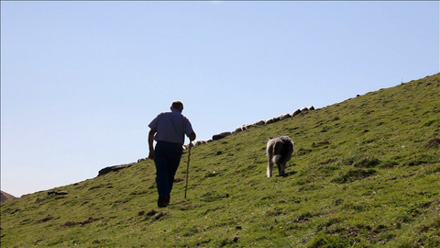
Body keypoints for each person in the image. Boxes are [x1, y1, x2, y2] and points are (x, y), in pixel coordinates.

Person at [148, 100, 196, 208]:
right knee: (170, 173)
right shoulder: (184, 119)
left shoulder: (161, 116)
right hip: (175, 148)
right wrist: (191, 136)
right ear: (181, 109)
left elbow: (151, 132)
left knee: (161, 172)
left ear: (171, 107)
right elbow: (192, 135)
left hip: (161, 146)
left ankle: (163, 196)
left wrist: (151, 150)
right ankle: (166, 197)